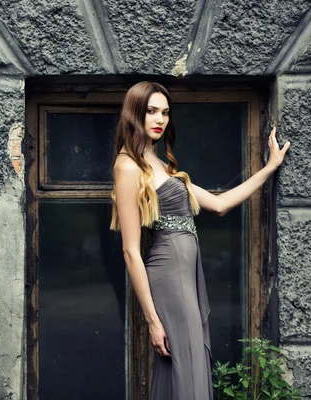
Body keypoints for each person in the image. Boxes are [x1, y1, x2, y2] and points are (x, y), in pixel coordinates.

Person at [110, 81, 290, 399]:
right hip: (168, 276)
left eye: (165, 112)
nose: (160, 119)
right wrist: (152, 321)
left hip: (185, 275)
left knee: (185, 366)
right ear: (134, 113)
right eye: (151, 111)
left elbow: (219, 205)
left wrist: (270, 168)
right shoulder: (127, 166)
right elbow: (129, 251)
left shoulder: (159, 163)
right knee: (186, 363)